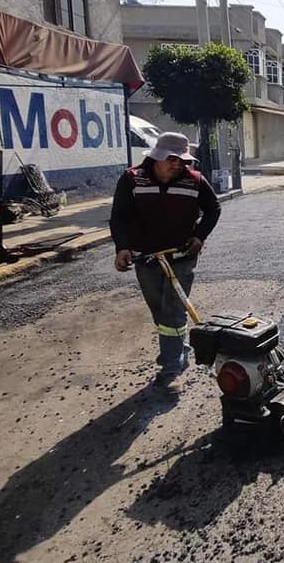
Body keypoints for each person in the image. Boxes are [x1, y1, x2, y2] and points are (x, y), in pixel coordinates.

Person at [110, 132, 221, 382]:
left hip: (181, 255)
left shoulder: (195, 181)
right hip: (146, 258)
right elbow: (119, 216)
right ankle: (178, 346)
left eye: (182, 160)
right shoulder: (132, 179)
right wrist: (122, 247)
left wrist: (199, 237)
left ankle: (171, 363)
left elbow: (213, 208)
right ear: (157, 156)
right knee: (159, 310)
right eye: (172, 158)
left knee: (173, 308)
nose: (178, 164)